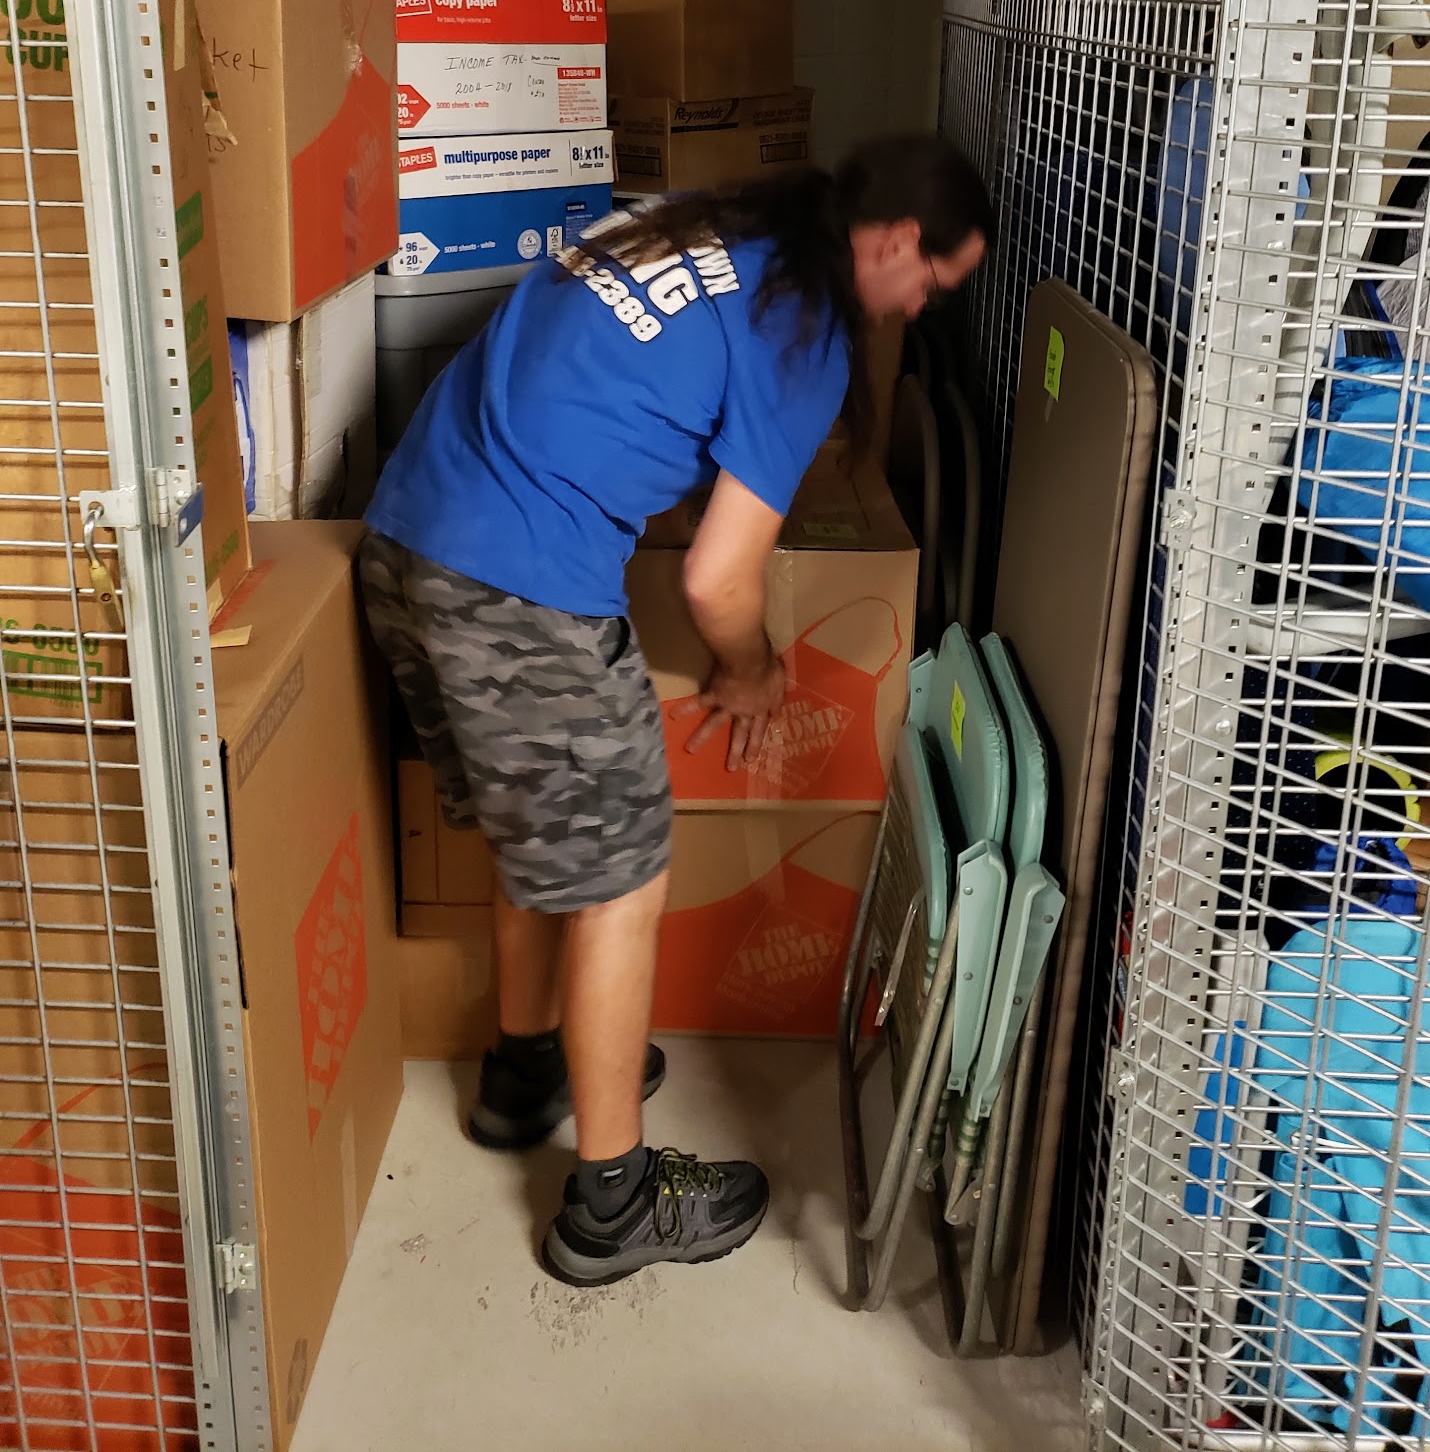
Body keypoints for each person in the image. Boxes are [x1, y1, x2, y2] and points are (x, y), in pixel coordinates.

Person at [359, 134, 994, 1288]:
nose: (923, 306)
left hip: (404, 537)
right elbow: (717, 580)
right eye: (935, 282)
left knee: (536, 826)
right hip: (519, 586)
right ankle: (611, 1203)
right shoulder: (806, 333)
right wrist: (750, 669)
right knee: (623, 883)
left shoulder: (695, 220)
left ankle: (523, 1072)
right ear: (899, 240)